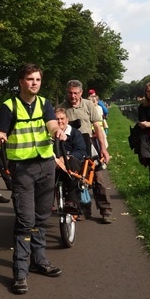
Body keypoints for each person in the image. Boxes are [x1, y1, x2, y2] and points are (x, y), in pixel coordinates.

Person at [0, 64, 66, 296]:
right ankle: (20, 272)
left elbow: (52, 123)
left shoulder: (45, 104)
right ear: (21, 81)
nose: (35, 83)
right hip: (22, 169)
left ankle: (39, 260)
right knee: (25, 220)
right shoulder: (8, 106)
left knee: (41, 218)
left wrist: (57, 131)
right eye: (30, 79)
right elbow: (2, 129)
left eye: (38, 79)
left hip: (46, 166)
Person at [59, 80, 115, 224]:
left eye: (76, 93)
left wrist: (103, 149)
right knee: (76, 179)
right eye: (70, 93)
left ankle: (105, 210)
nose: (73, 96)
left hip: (88, 143)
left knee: (99, 178)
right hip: (70, 146)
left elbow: (98, 127)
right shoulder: (61, 108)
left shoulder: (89, 105)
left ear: (81, 93)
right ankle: (83, 209)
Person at [54, 108, 87, 203]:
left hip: (72, 164)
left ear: (67, 120)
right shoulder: (49, 134)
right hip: (54, 163)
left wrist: (66, 158)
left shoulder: (75, 133)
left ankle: (73, 202)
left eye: (62, 118)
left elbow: (80, 151)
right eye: (57, 119)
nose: (60, 121)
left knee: (72, 162)